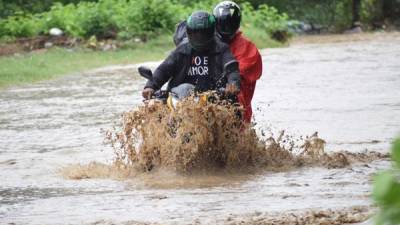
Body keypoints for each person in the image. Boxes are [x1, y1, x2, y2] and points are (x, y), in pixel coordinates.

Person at [142, 11, 240, 100]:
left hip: (214, 98)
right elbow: (163, 70)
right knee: (154, 108)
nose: (199, 38)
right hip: (180, 98)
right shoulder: (181, 50)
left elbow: (232, 68)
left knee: (234, 107)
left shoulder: (221, 48)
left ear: (211, 32)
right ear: (188, 32)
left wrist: (233, 84)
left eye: (203, 34)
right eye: (195, 34)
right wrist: (150, 86)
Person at [213, 1, 263, 123]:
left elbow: (235, 75)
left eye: (229, 25)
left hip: (237, 109)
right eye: (223, 25)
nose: (226, 28)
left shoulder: (248, 48)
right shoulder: (207, 44)